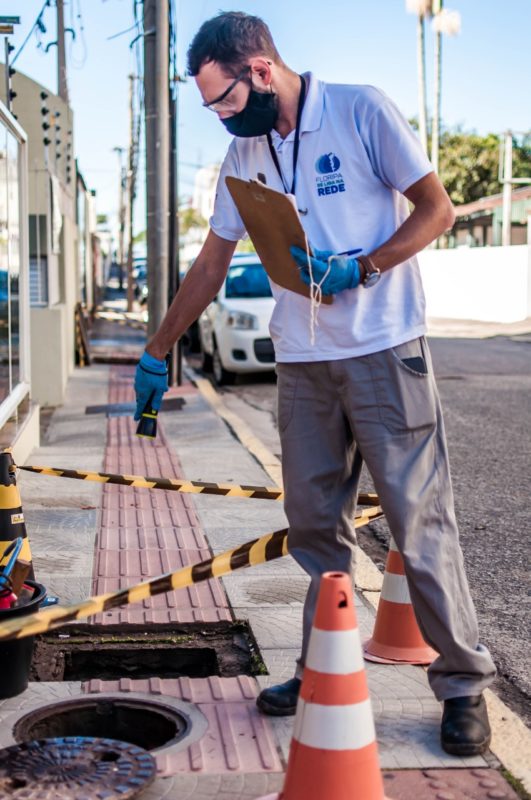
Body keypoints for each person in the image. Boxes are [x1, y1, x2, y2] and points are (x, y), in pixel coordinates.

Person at [134, 11, 496, 756]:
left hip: (384, 351)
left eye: (224, 100)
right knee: (314, 531)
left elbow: (437, 209)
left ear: (261, 69)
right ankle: (320, 666)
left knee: (417, 525)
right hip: (300, 361)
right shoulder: (245, 153)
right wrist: (156, 349)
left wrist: (361, 265)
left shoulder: (360, 109)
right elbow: (210, 264)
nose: (221, 118)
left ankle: (461, 684)